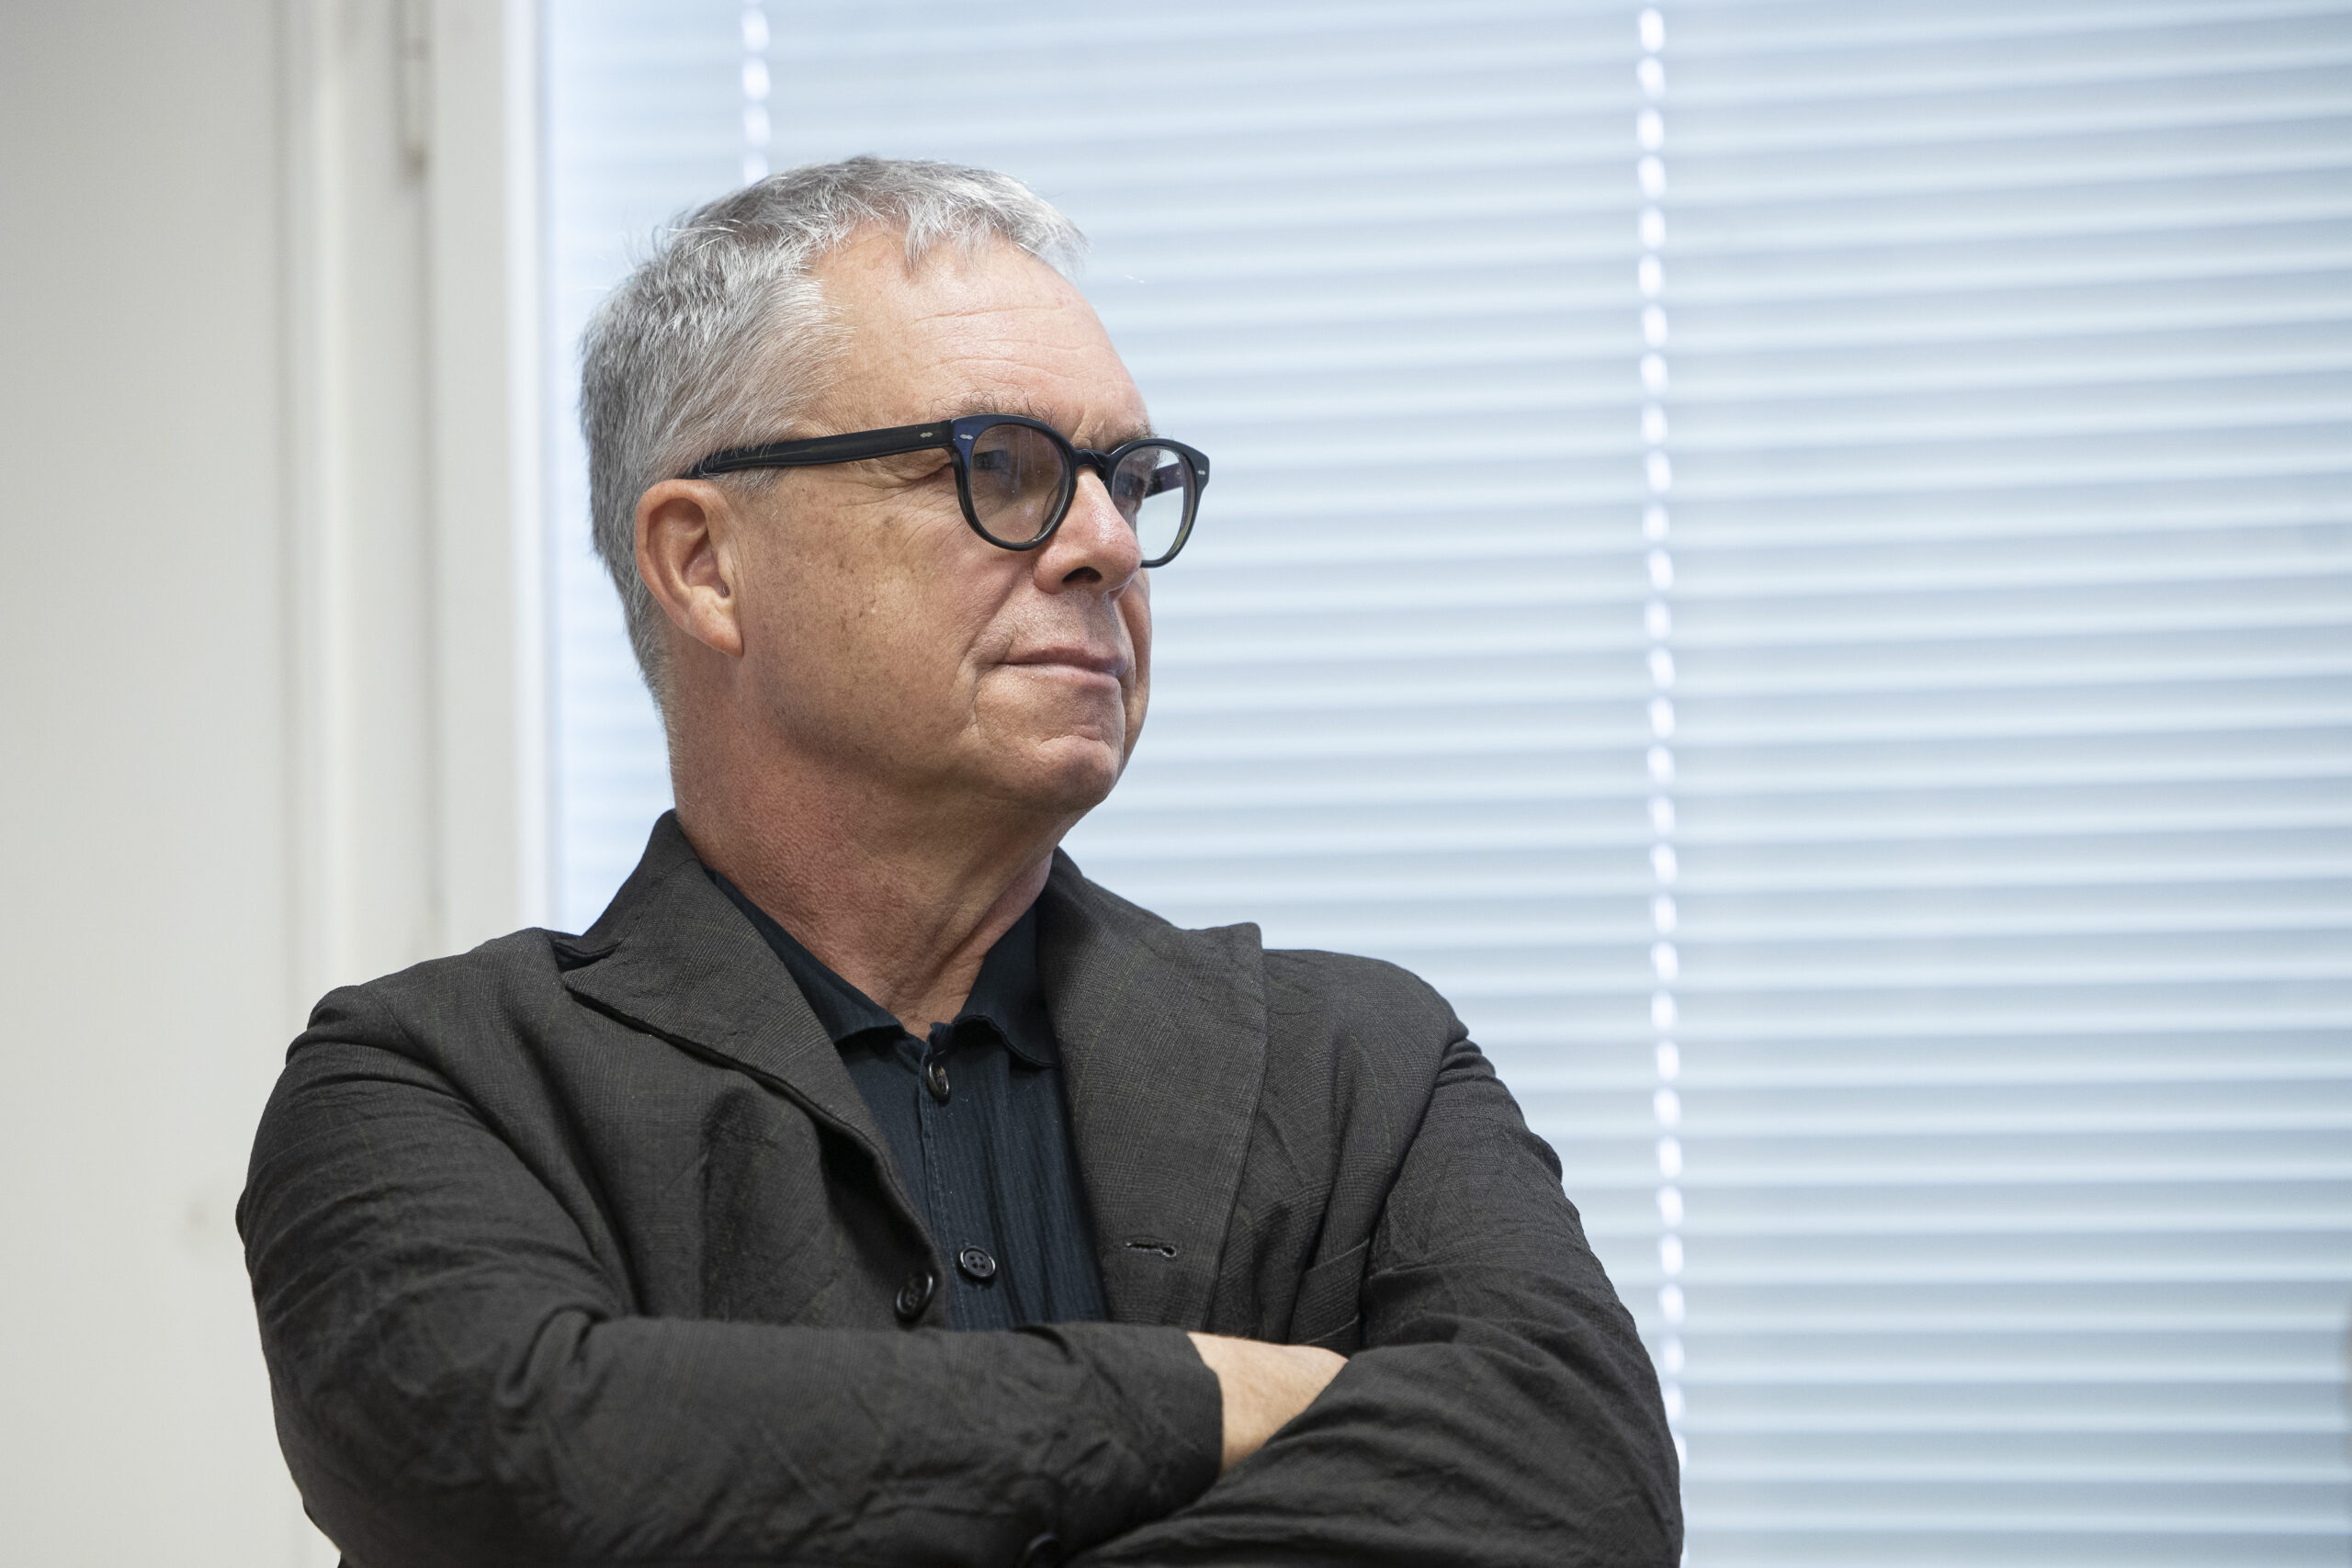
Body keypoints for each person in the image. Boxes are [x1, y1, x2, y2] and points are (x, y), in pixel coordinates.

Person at [240, 156, 1679, 1568]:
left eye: (1129, 480)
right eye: (1001, 467)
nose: (1107, 545)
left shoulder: (1361, 1068)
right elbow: (510, 1461)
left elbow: (1580, 1486)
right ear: (704, 564)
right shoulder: (438, 1086)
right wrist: (1207, 1395)